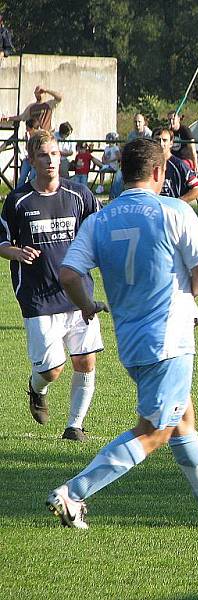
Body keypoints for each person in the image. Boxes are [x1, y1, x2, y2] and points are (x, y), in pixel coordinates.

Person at [47, 137, 198, 529]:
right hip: (169, 340)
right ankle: (73, 493)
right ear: (158, 172)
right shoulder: (174, 211)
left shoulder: (99, 219)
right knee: (155, 431)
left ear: (123, 172)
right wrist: (190, 295)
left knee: (182, 417)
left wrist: (87, 305)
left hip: (132, 342)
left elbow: (69, 273)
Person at [0, 129, 102, 442]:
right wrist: (16, 251)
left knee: (85, 360)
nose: (50, 160)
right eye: (43, 155)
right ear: (31, 159)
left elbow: (99, 229)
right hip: (38, 296)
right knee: (52, 369)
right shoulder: (18, 201)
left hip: (77, 292)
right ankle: (36, 387)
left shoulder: (78, 195)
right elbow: (2, 241)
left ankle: (75, 426)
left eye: (55, 154)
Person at [154, 127, 198, 203]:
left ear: (171, 143)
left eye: (164, 140)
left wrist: (178, 202)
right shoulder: (147, 164)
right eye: (157, 140)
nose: (160, 143)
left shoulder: (179, 165)